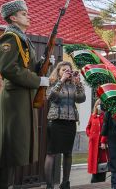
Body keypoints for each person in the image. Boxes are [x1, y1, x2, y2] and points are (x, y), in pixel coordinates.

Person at [0, 0, 50, 189]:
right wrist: (37, 80)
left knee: (16, 151)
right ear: (13, 17)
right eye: (24, 13)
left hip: (23, 98)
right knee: (9, 150)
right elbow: (9, 69)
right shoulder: (10, 38)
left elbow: (26, 67)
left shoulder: (23, 39)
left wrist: (43, 64)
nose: (28, 15)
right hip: (15, 99)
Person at [44, 61, 86, 189]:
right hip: (56, 121)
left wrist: (79, 84)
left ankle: (65, 183)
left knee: (68, 153)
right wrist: (61, 81)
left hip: (70, 122)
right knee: (51, 153)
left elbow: (81, 99)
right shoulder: (52, 83)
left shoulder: (74, 85)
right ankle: (49, 185)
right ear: (58, 72)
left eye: (69, 70)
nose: (67, 72)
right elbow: (51, 97)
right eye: (64, 70)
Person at [86, 99, 108, 183]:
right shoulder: (92, 116)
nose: (99, 107)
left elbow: (106, 130)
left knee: (102, 163)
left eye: (100, 105)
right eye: (97, 105)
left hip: (101, 144)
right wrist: (90, 135)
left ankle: (101, 180)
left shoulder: (105, 116)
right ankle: (94, 180)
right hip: (93, 143)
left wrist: (104, 141)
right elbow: (88, 127)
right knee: (94, 162)